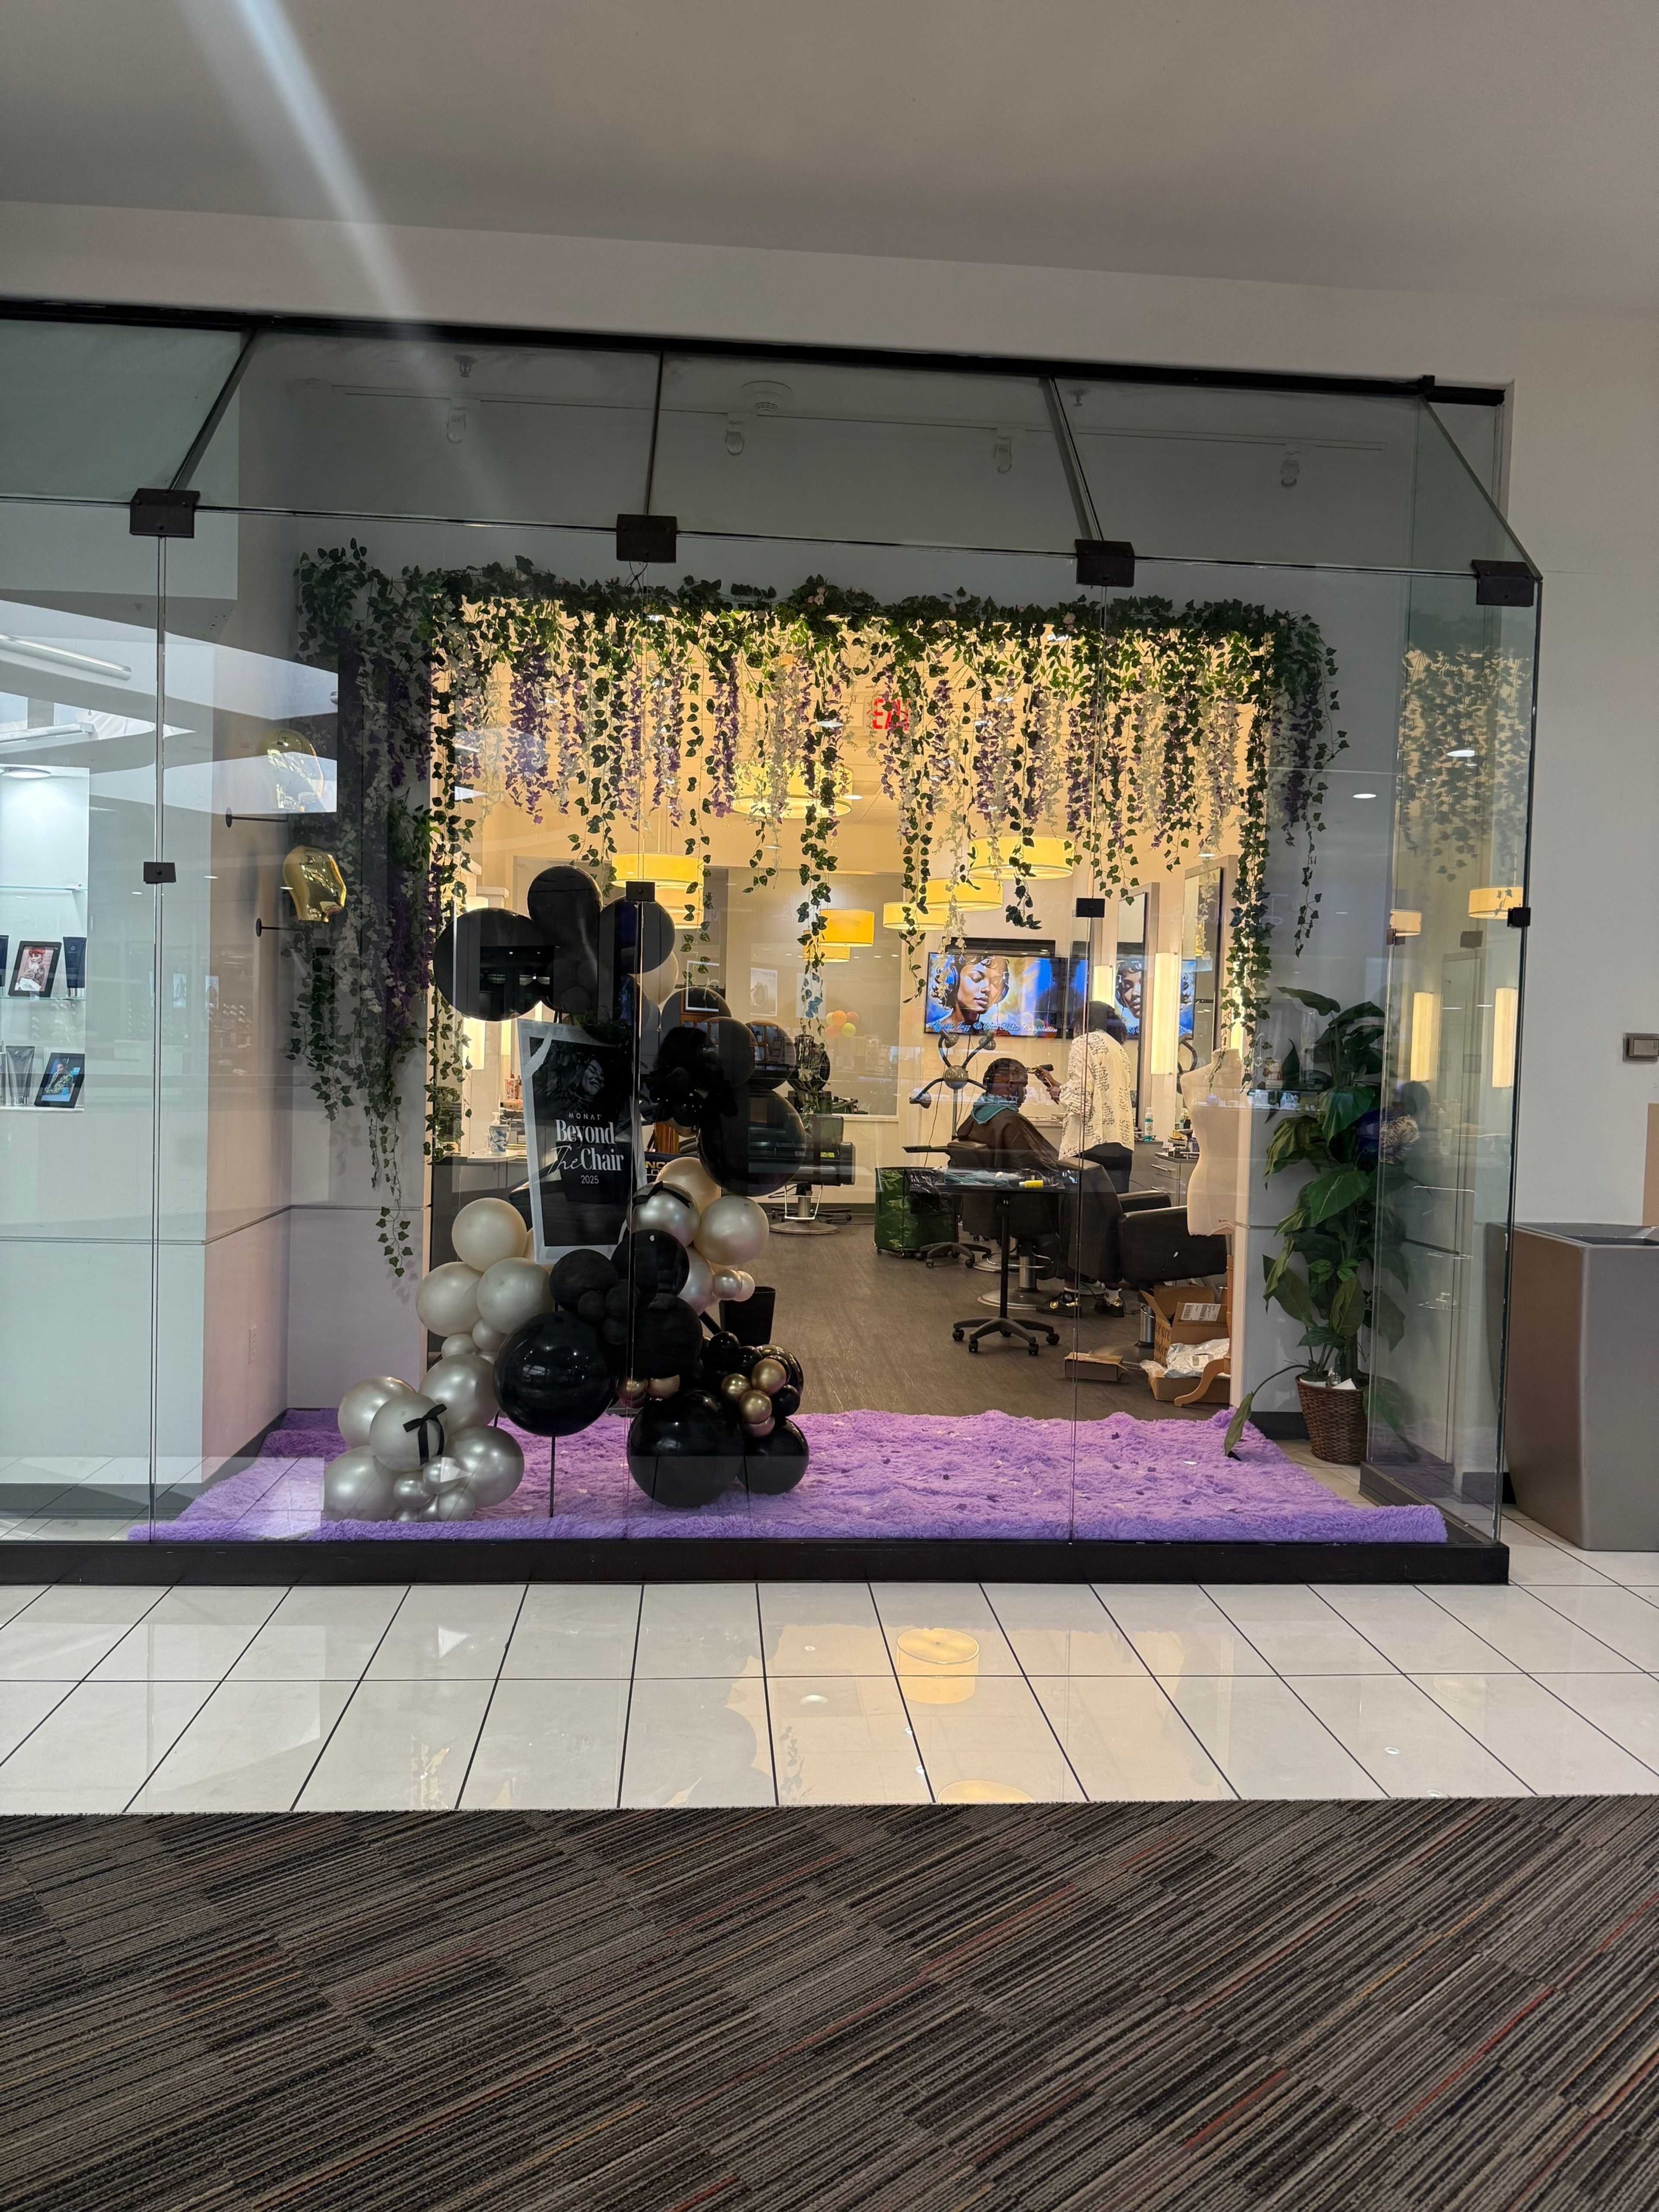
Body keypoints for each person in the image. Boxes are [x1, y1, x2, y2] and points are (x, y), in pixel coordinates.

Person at [1030, 1001, 1136, 1182]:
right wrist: (1056, 1085)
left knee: (1083, 1209)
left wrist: (1060, 1093)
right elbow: (1094, 1091)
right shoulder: (1118, 1049)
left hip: (1092, 1144)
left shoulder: (1083, 1043)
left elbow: (1081, 1103)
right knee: (1113, 1207)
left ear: (1084, 1022)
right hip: (1121, 1145)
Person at [930, 951, 1010, 1034]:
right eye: (976, 978)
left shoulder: (994, 1035)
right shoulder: (932, 1030)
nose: (988, 989)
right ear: (953, 980)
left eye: (996, 982)